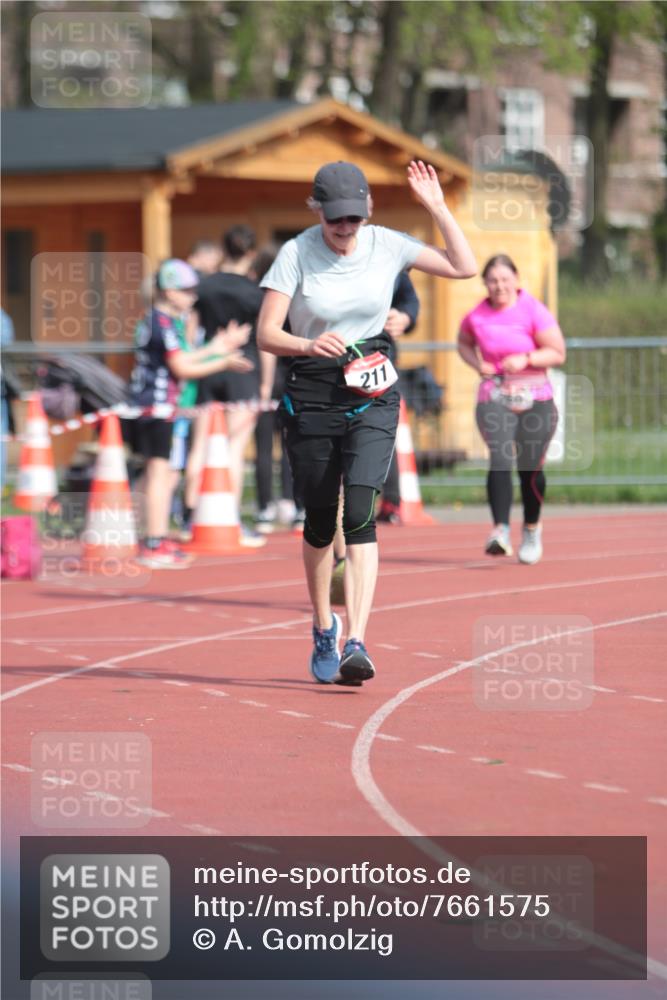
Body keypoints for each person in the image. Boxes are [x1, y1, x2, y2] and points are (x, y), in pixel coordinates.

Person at [257, 159, 477, 685]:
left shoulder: (388, 243)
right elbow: (266, 333)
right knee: (317, 519)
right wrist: (306, 343)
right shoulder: (295, 254)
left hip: (372, 388)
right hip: (312, 388)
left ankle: (357, 640)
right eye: (336, 219)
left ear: (368, 211)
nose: (346, 229)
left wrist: (439, 208)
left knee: (360, 510)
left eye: (354, 219)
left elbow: (463, 266)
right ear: (316, 210)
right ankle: (322, 626)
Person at [127, 258, 251, 568]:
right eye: (187, 289)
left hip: (164, 408)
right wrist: (221, 361)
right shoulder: (161, 322)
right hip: (155, 407)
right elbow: (181, 367)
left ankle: (153, 535)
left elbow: (185, 357)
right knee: (159, 474)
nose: (193, 295)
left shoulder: (168, 322)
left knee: (165, 474)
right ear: (169, 291)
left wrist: (216, 347)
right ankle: (152, 541)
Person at [457, 254, 566, 564]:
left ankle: (531, 528)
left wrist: (526, 359)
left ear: (517, 281)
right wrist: (478, 364)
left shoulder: (532, 309)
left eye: (505, 279)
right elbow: (463, 342)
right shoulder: (476, 315)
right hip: (495, 395)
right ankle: (500, 530)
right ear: (485, 284)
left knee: (530, 466)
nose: (499, 286)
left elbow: (557, 352)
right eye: (492, 280)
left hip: (536, 397)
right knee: (501, 456)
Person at [188, 226, 274, 545]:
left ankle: (189, 516)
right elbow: (265, 341)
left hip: (210, 367)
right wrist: (266, 384)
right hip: (245, 369)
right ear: (251, 254)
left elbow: (190, 331)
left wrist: (195, 360)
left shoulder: (203, 287)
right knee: (234, 449)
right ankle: (231, 519)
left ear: (224, 250)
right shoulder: (257, 293)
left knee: (200, 446)